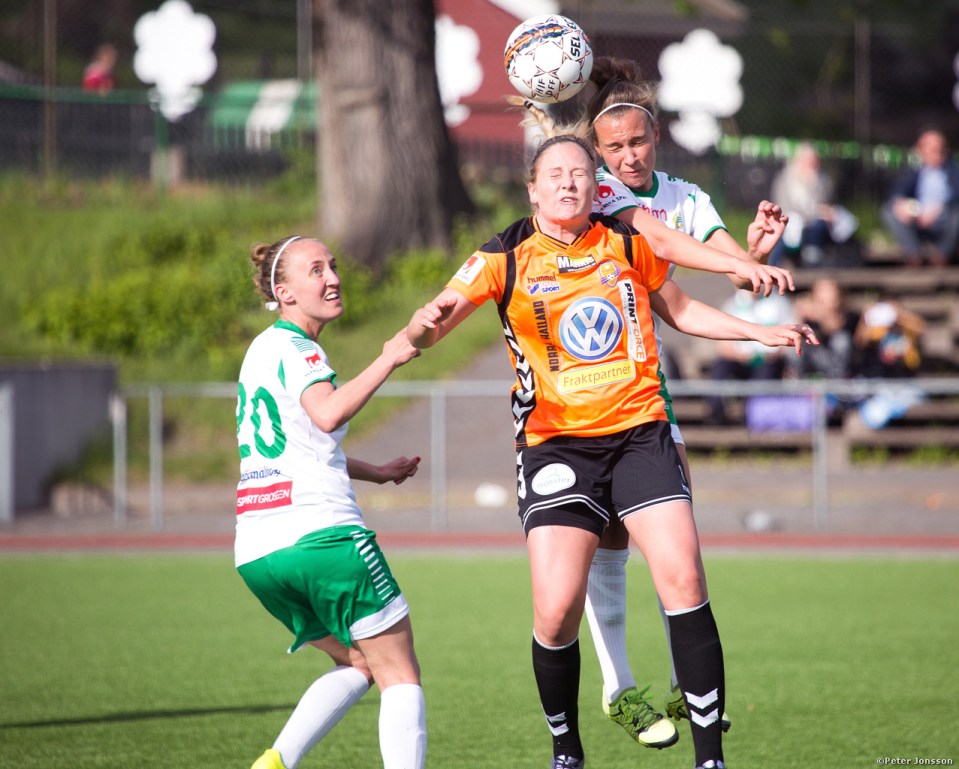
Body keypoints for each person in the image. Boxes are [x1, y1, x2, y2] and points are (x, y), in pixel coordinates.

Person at [406, 134, 817, 769]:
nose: (569, 183)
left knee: (684, 578)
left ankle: (711, 759)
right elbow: (432, 325)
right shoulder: (502, 256)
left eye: (579, 172)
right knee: (555, 611)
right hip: (556, 446)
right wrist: (420, 328)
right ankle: (567, 750)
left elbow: (681, 309)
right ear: (532, 189)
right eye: (555, 174)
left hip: (638, 433)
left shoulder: (624, 241)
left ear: (595, 185)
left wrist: (758, 333)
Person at [512, 55, 792, 747]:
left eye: (637, 142)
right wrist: (738, 263)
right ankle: (618, 686)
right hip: (578, 395)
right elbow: (662, 242)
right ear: (596, 149)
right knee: (607, 540)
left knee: (672, 546)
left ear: (656, 136)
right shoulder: (600, 193)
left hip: (644, 389)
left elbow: (723, 270)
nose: (627, 156)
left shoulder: (687, 195)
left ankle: (681, 687)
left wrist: (752, 256)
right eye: (613, 147)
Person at [235, 236, 427, 769]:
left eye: (333, 266)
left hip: (258, 552)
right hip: (322, 538)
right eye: (315, 270)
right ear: (285, 293)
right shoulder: (300, 349)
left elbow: (296, 444)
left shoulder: (261, 350)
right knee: (399, 674)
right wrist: (388, 358)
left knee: (361, 662)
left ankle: (276, 761)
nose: (333, 278)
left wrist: (376, 472)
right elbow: (327, 414)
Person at [769, 142, 860, 267]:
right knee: (784, 235)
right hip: (792, 221)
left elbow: (826, 202)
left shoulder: (823, 179)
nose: (811, 163)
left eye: (814, 159)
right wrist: (811, 213)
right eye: (808, 159)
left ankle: (812, 261)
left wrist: (814, 183)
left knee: (820, 226)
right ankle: (773, 268)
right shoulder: (786, 179)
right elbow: (784, 205)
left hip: (816, 222)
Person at [880, 127, 959, 267]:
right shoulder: (914, 171)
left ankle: (942, 255)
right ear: (921, 150)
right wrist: (901, 203)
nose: (935, 151)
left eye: (938, 147)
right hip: (918, 215)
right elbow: (897, 191)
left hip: (945, 216)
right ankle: (914, 255)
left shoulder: (954, 171)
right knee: (888, 210)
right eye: (930, 147)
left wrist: (939, 209)